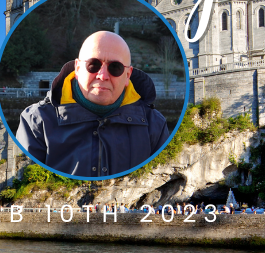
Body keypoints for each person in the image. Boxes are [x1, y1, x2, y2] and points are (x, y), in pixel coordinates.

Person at [15, 31, 170, 177]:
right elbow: (25, 180)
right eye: (93, 65)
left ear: (128, 75)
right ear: (77, 68)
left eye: (115, 68)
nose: (102, 76)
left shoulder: (154, 124)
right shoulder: (35, 121)